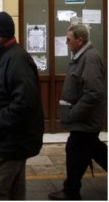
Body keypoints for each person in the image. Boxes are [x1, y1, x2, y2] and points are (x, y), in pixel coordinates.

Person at [0, 11, 44, 200]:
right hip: (8, 137)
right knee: (13, 192)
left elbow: (25, 102)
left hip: (11, 139)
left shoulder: (17, 59)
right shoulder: (1, 56)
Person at [48, 24, 107, 200]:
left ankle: (71, 191)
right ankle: (71, 189)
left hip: (86, 120)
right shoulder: (82, 56)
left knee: (75, 149)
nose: (66, 43)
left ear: (80, 40)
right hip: (85, 119)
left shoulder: (90, 58)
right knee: (93, 149)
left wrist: (74, 114)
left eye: (68, 39)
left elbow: (94, 92)